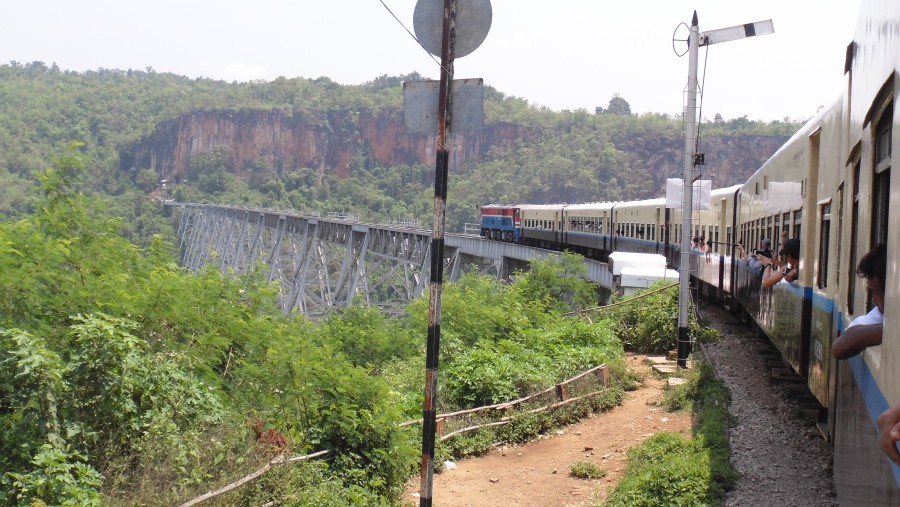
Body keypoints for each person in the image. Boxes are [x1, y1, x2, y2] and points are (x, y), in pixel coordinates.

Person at [832, 244, 886, 359]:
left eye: (876, 292)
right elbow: (839, 348)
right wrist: (891, 330)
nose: (874, 301)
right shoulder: (880, 315)